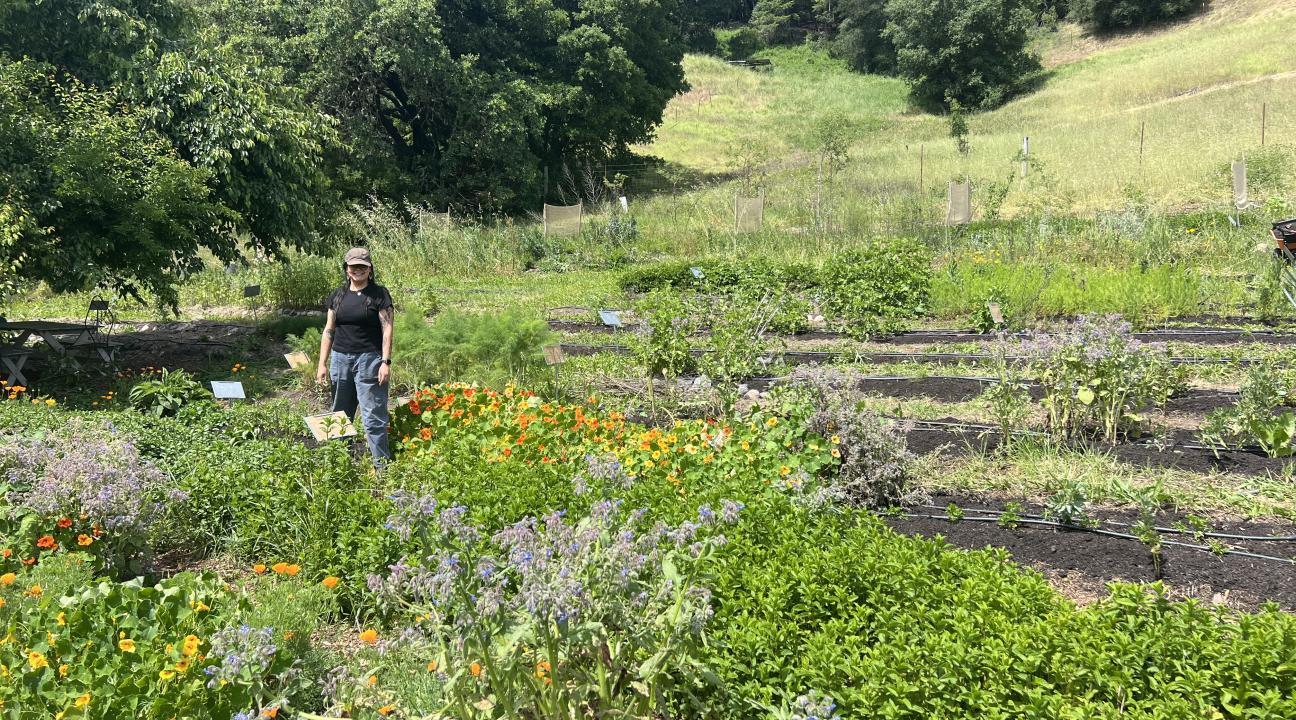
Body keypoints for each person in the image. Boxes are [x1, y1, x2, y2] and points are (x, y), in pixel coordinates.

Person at [316, 247, 395, 467]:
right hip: (340, 359)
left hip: (369, 360)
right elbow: (329, 330)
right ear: (347, 269)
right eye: (353, 266)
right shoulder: (338, 296)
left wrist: (385, 362)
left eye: (362, 266)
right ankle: (341, 461)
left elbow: (387, 329)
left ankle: (382, 468)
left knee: (373, 417)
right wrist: (322, 363)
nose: (357, 270)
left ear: (370, 269)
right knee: (339, 414)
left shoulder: (379, 294)